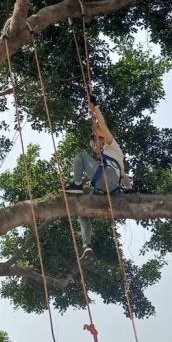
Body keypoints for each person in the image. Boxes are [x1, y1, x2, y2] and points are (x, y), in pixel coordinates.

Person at [64, 96, 133, 257]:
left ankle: (76, 185)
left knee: (81, 156)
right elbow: (125, 177)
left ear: (101, 140)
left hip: (108, 179)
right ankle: (86, 244)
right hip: (109, 189)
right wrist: (129, 191)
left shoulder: (111, 146)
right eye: (93, 145)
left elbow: (101, 125)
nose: (95, 147)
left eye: (96, 142)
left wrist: (95, 109)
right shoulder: (106, 159)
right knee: (82, 213)